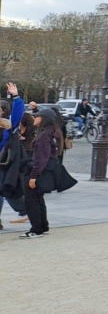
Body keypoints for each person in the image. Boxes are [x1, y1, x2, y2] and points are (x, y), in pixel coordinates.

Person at [22, 109, 62, 238]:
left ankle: (36, 229)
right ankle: (42, 226)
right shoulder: (51, 133)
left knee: (31, 200)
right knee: (38, 199)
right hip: (44, 171)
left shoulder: (44, 135)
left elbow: (41, 158)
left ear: (43, 118)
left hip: (39, 171)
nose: (34, 118)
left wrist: (33, 176)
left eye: (37, 116)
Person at [0, 82, 27, 225]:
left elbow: (18, 112)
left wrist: (16, 96)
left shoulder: (9, 125)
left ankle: (25, 210)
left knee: (6, 189)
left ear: (4, 111)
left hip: (5, 163)